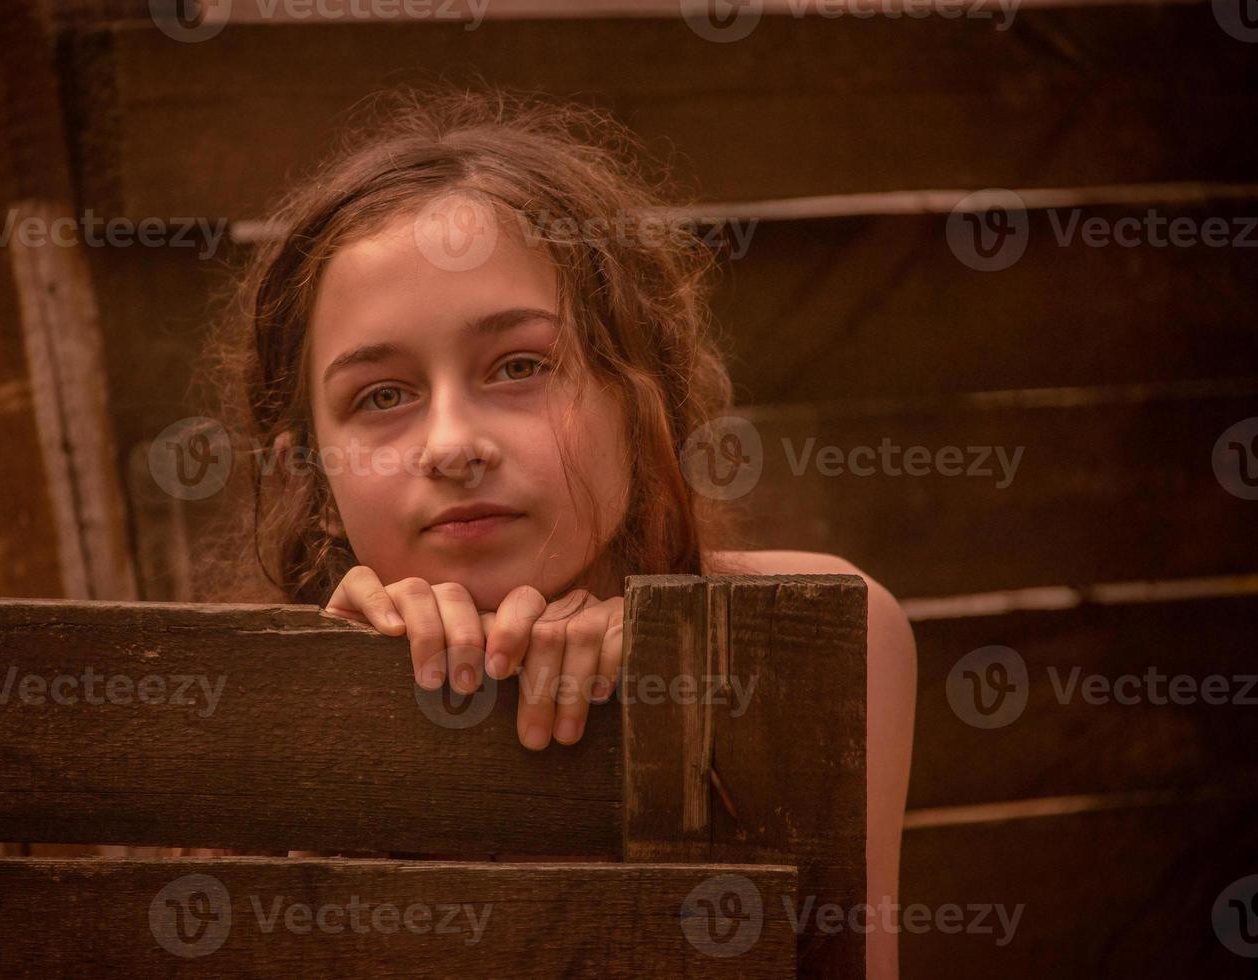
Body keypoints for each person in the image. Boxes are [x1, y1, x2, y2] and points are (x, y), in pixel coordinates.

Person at [197, 85, 916, 979]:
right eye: (381, 395)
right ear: (309, 472)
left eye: (521, 365)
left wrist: (678, 668)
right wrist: (351, 732)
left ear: (639, 396)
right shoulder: (244, 715)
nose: (453, 443)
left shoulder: (823, 638)